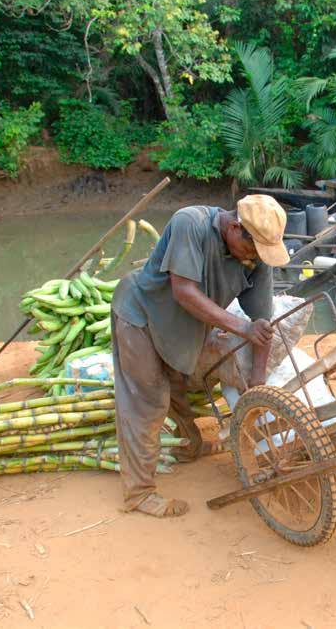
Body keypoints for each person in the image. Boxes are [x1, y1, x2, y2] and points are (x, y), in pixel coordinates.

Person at [111, 194, 289, 518]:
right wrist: (241, 327)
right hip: (140, 314)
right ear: (235, 227)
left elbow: (262, 324)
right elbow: (184, 291)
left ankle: (189, 448)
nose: (254, 258)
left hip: (182, 327)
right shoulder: (190, 223)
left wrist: (257, 385)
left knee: (179, 385)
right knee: (147, 399)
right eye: (251, 250)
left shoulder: (256, 256)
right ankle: (138, 493)